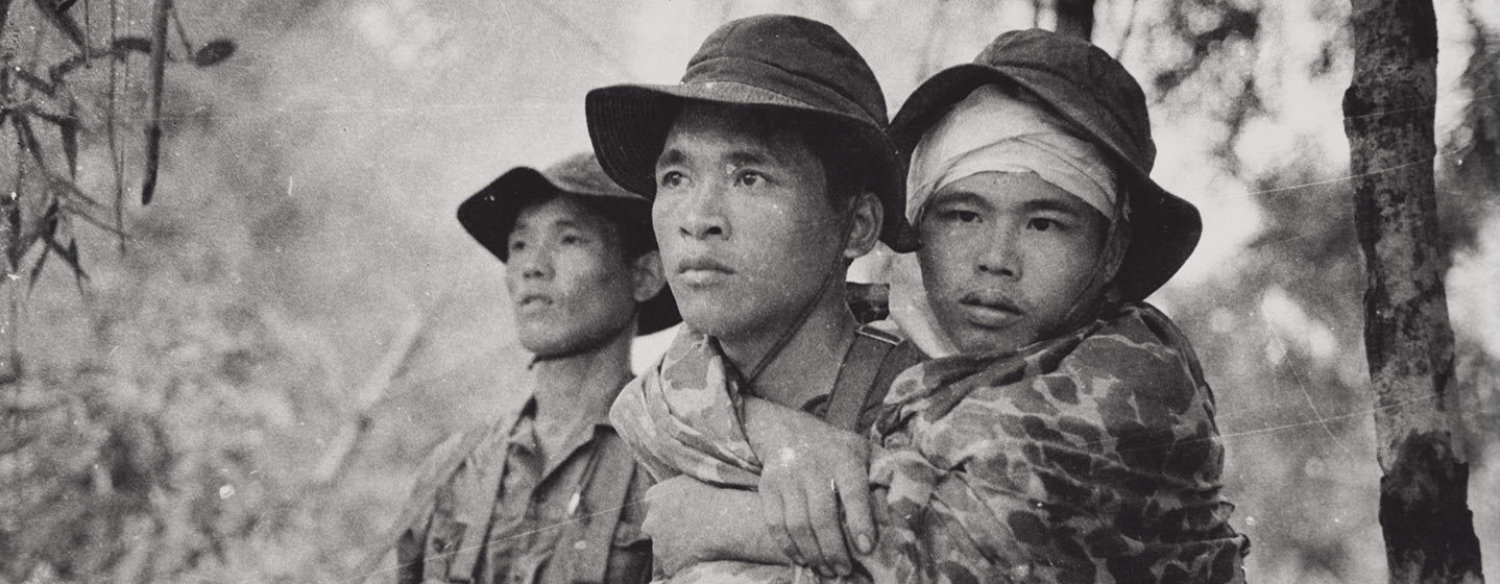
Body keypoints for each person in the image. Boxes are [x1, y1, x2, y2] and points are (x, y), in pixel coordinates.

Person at [603, 29, 1251, 584]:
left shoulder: (1131, 363)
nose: (996, 258)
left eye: (1047, 224)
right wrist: (778, 431)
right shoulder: (910, 358)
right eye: (962, 215)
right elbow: (652, 393)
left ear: (1113, 252)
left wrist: (706, 517)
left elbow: (961, 538)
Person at [584, 14, 923, 583]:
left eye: (750, 177)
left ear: (858, 225)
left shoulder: (918, 413)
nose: (698, 219)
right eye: (675, 178)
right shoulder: (659, 409)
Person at [393, 152, 679, 584]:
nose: (532, 266)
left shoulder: (670, 466)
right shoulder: (456, 467)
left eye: (568, 240)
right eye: (519, 244)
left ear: (643, 276)